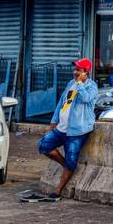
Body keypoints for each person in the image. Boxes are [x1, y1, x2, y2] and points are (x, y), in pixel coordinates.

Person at [36, 58, 99, 199]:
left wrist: (80, 83)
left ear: (86, 72)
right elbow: (61, 102)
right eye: (75, 69)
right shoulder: (70, 83)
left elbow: (86, 98)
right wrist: (53, 122)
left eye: (78, 70)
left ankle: (58, 190)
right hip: (61, 128)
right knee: (43, 145)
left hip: (77, 131)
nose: (75, 72)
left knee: (72, 159)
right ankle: (66, 165)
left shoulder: (92, 86)